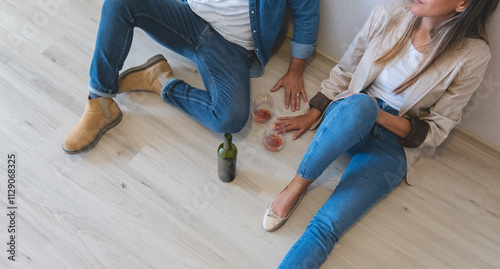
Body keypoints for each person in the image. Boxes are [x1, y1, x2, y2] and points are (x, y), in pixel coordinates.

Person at [262, 0, 498, 268]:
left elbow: (437, 128)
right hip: (353, 114)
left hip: (396, 140)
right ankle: (298, 185)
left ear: (462, 3)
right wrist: (314, 111)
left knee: (328, 226)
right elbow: (347, 69)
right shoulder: (388, 13)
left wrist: (381, 115)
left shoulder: (472, 54)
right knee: (362, 105)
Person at [62, 0, 319, 154]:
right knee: (120, 3)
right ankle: (99, 103)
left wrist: (295, 70)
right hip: (188, 17)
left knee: (229, 118)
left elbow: (307, 13)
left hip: (230, 48)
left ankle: (159, 81)